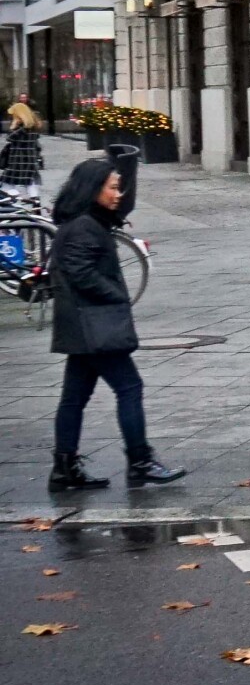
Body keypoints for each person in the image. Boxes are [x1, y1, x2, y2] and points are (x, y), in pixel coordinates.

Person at [49, 151, 184, 491]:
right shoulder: (83, 227)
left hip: (83, 327)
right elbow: (81, 274)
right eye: (112, 187)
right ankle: (140, 461)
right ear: (93, 188)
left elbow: (123, 208)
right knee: (129, 387)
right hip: (94, 325)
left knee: (74, 397)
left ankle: (64, 468)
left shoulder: (85, 220)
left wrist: (126, 163)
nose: (117, 194)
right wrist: (116, 294)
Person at [3, 101, 43, 205]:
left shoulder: (22, 128)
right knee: (30, 183)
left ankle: (10, 205)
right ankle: (36, 206)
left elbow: (9, 138)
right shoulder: (33, 127)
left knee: (8, 184)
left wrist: (14, 125)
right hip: (29, 160)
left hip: (18, 161)